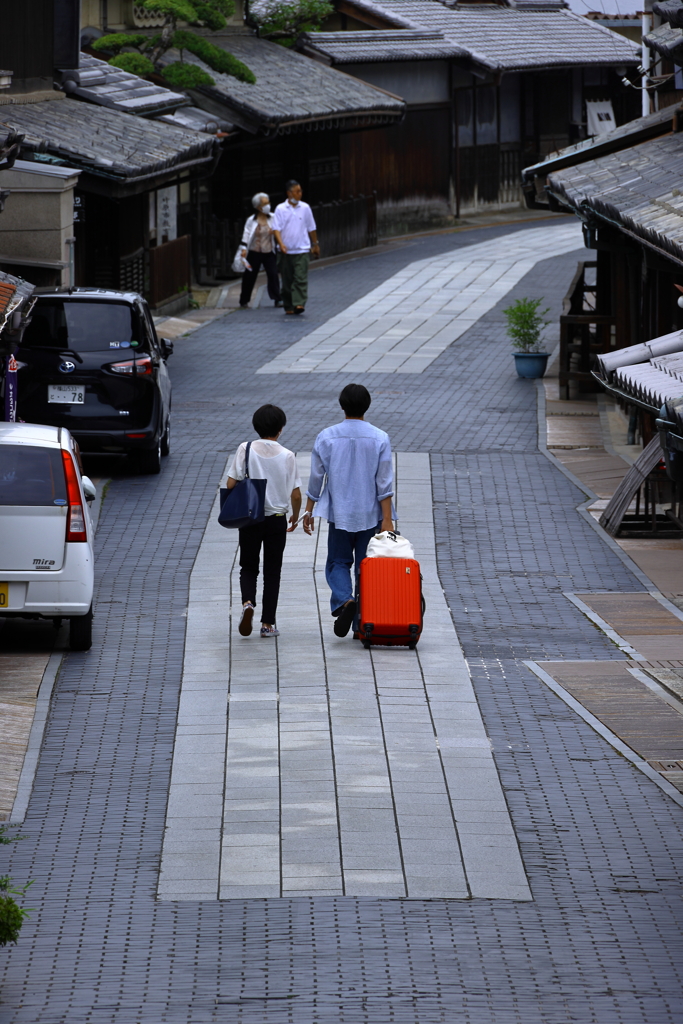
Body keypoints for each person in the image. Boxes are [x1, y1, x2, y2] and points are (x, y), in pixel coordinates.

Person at [303, 384, 394, 638]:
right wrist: (387, 519)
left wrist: (309, 510)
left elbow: (316, 477)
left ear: (342, 406)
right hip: (370, 514)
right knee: (366, 568)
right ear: (368, 406)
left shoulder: (326, 436)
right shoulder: (380, 437)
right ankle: (362, 625)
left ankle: (345, 600)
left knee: (337, 563)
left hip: (340, 514)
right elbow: (384, 483)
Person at [226, 405, 301, 638]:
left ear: (256, 427)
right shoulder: (288, 455)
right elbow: (296, 494)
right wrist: (295, 516)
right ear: (280, 429)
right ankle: (267, 624)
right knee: (272, 571)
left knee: (248, 566)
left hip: (251, 517)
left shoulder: (245, 448)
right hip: (276, 520)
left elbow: (230, 484)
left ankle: (248, 603)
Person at [272, 180, 319, 315]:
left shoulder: (305, 208)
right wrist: (281, 244)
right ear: (289, 193)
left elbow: (312, 227)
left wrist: (315, 244)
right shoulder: (280, 209)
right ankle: (289, 305)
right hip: (285, 251)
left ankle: (299, 303)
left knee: (300, 278)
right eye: (297, 191)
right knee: (287, 281)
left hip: (302, 249)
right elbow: (276, 229)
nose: (300, 194)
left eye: (300, 191)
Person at [239, 193, 281, 309]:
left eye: (268, 203)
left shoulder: (273, 217)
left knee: (273, 274)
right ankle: (244, 300)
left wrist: (276, 232)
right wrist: (243, 248)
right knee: (249, 276)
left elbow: (280, 230)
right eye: (265, 203)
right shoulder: (251, 220)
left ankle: (277, 299)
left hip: (269, 251)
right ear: (258, 207)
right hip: (254, 251)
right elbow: (246, 234)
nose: (268, 205)